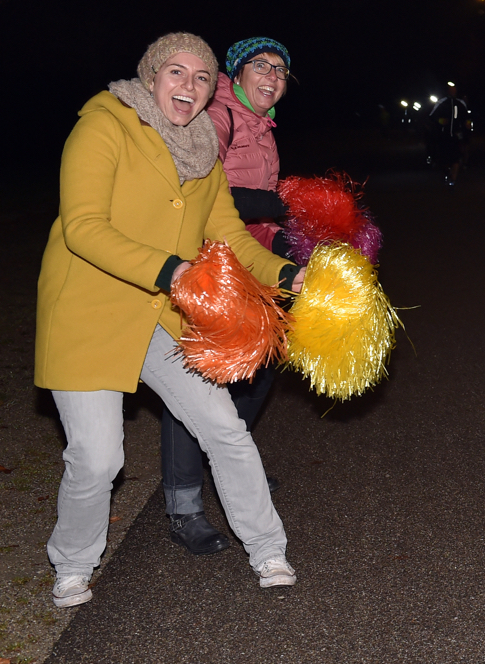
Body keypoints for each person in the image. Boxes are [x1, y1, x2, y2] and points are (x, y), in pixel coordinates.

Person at [36, 33, 303, 607]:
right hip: (90, 310)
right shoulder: (104, 124)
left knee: (225, 427)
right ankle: (73, 563)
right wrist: (171, 269)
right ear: (152, 76)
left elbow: (231, 237)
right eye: (176, 72)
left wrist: (289, 276)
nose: (188, 85)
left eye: (202, 77)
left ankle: (267, 548)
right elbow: (82, 226)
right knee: (98, 457)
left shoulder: (203, 149)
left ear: (213, 91)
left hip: (159, 316)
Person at [160, 37, 294, 555]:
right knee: (195, 381)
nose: (272, 75)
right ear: (236, 73)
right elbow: (197, 181)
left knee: (258, 370)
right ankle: (184, 505)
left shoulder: (262, 128)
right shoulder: (219, 116)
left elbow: (254, 219)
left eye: (281, 70)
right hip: (208, 270)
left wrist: (294, 240)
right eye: (260, 64)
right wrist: (283, 203)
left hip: (250, 268)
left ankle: (235, 467)